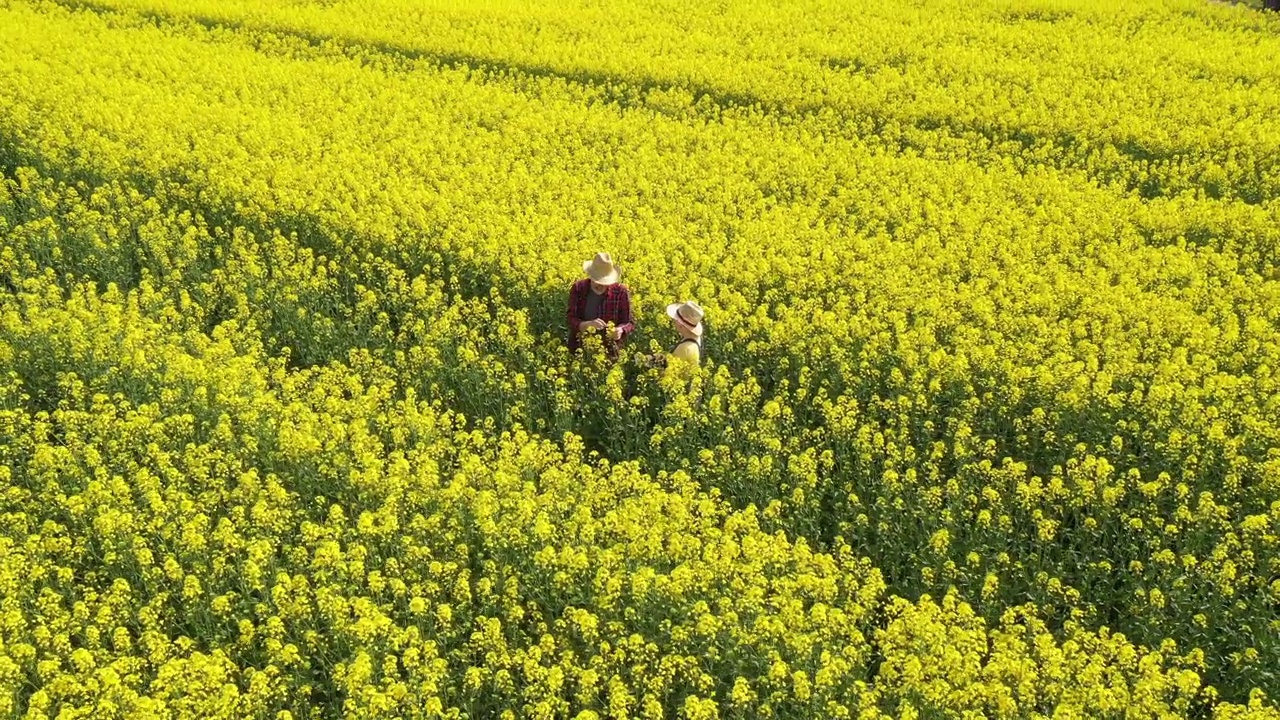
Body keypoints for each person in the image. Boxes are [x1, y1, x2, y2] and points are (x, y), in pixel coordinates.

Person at [566, 252, 634, 359]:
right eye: (597, 281)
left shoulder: (621, 292)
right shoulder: (578, 288)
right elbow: (570, 318)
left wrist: (620, 330)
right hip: (580, 350)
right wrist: (585, 325)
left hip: (610, 352)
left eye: (605, 282)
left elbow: (629, 322)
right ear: (590, 275)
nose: (601, 285)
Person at [647, 300, 704, 371]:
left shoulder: (685, 348)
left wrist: (647, 362)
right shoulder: (694, 340)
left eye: (675, 319)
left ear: (681, 325)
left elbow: (670, 371)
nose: (673, 321)